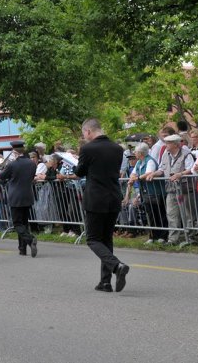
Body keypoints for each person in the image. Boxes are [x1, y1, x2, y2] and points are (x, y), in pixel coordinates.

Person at [74, 119, 130, 293]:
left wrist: (75, 163)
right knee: (106, 240)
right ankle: (105, 282)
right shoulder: (117, 148)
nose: (84, 136)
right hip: (113, 197)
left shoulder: (87, 149)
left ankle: (116, 266)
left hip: (96, 198)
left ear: (88, 131)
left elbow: (80, 172)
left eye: (84, 133)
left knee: (92, 239)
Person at [144, 134, 195, 246]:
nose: (165, 145)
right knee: (171, 214)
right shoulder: (165, 154)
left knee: (187, 214)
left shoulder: (186, 154)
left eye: (168, 143)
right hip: (170, 189)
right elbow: (162, 169)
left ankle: (190, 238)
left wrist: (180, 174)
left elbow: (191, 169)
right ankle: (173, 239)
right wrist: (154, 174)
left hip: (184, 190)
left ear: (175, 144)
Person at [0, 140, 38, 256]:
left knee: (17, 224)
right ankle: (22, 249)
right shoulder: (32, 163)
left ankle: (30, 239)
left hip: (15, 196)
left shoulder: (12, 164)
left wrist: (5, 166)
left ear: (14, 152)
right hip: (27, 195)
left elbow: (2, 176)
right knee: (24, 223)